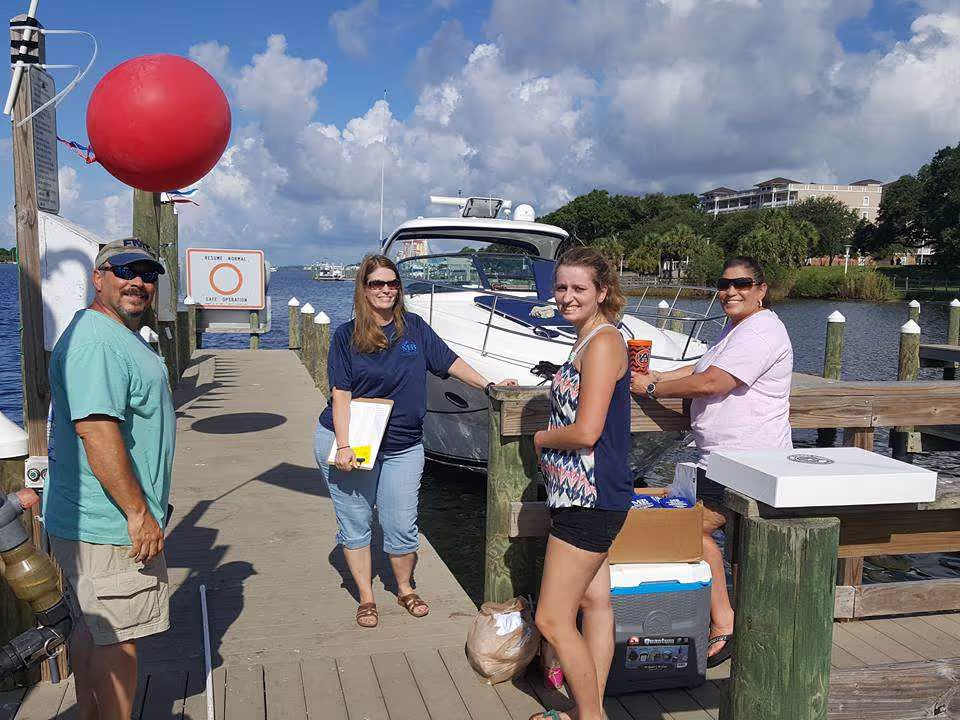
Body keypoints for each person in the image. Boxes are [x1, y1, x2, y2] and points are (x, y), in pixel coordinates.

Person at [314, 254, 516, 629]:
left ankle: (405, 588)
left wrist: (488, 385)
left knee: (401, 522)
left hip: (404, 444)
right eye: (377, 283)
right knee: (355, 521)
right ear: (364, 288)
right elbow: (340, 393)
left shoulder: (416, 330)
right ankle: (367, 596)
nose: (386, 290)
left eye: (392, 283)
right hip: (352, 439)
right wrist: (343, 446)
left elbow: (450, 363)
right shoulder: (346, 335)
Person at [631, 256, 793, 666]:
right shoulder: (735, 329)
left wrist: (651, 387)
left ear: (762, 288)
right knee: (680, 526)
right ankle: (718, 615)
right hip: (716, 458)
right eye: (724, 284)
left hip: (744, 459)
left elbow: (712, 382)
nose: (731, 291)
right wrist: (653, 378)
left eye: (742, 283)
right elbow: (701, 367)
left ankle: (724, 621)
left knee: (681, 530)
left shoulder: (761, 332)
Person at [46, 237, 175, 718]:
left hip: (99, 521)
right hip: (109, 524)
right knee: (119, 642)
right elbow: (96, 431)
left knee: (92, 629)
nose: (138, 282)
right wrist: (139, 514)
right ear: (98, 277)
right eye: (124, 271)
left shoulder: (111, 334)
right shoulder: (98, 341)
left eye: (147, 274)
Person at [531, 247, 632, 720]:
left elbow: (587, 431)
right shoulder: (585, 339)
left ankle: (590, 717)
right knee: (595, 600)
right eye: (561, 287)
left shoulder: (605, 342)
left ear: (602, 292)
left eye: (578, 288)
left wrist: (541, 437)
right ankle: (584, 709)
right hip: (583, 495)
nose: (567, 297)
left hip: (590, 498)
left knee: (551, 618)